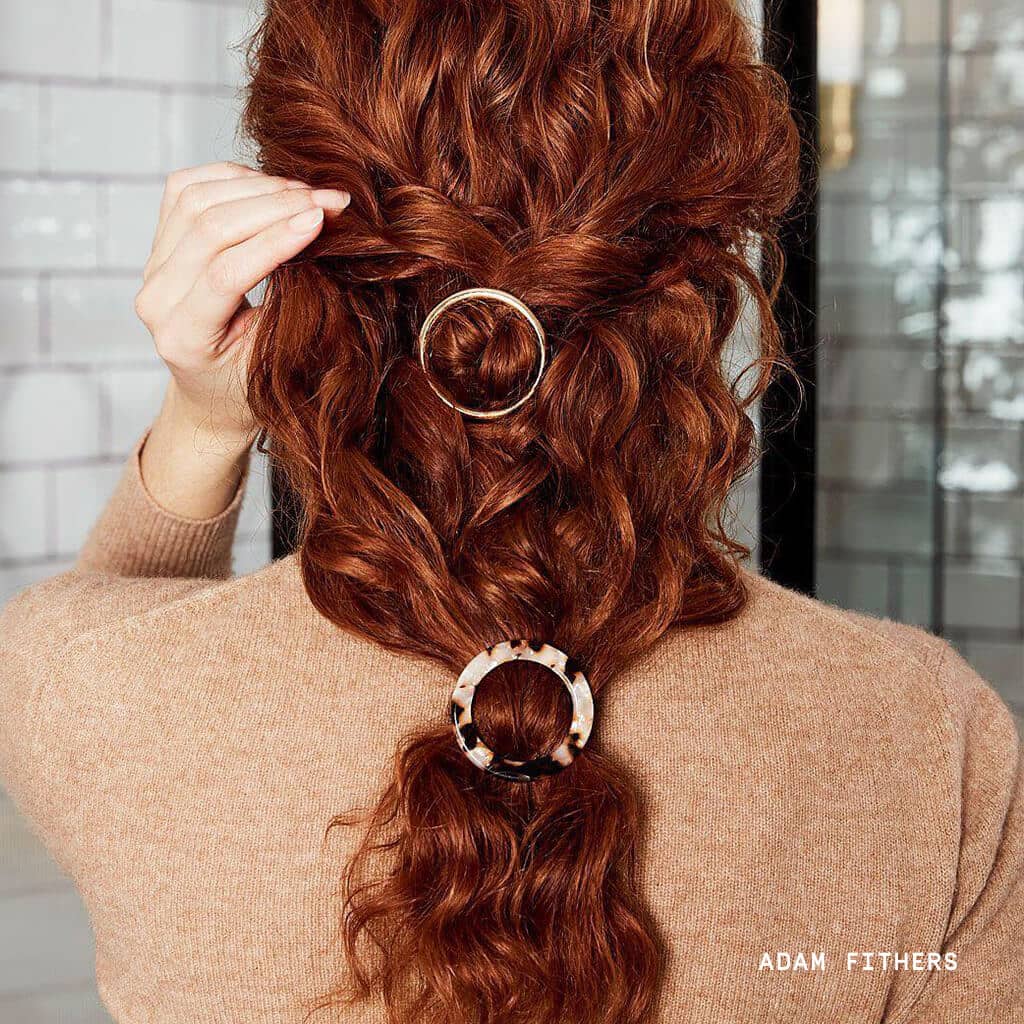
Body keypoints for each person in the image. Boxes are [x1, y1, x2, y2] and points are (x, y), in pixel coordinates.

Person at [1, 1, 1021, 1022]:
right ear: (704, 272)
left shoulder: (87, 690)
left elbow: (112, 618)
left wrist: (204, 414)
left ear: (300, 250)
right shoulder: (927, 739)